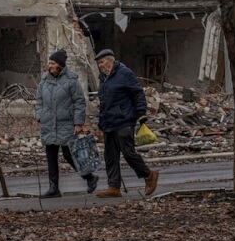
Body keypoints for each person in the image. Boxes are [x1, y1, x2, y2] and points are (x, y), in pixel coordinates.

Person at [93, 48, 158, 198]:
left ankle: (149, 176)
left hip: (124, 120)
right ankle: (114, 187)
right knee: (110, 156)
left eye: (102, 62)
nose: (100, 66)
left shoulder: (124, 73)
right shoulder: (103, 77)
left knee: (128, 153)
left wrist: (141, 114)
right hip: (109, 122)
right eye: (98, 64)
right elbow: (104, 102)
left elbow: (137, 93)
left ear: (111, 61)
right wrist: (101, 121)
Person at [35, 49, 100, 198]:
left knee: (69, 154)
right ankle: (53, 188)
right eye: (49, 63)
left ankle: (90, 178)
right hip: (48, 124)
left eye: (52, 63)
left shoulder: (71, 80)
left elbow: (79, 102)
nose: (49, 66)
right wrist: (39, 116)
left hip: (66, 124)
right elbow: (39, 101)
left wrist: (78, 123)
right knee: (51, 155)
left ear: (60, 65)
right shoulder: (44, 81)